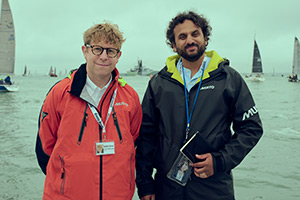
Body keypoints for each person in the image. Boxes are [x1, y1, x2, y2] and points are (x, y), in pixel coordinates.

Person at [135, 11, 263, 200]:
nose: (190, 40)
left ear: (205, 38)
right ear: (173, 44)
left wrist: (220, 161)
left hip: (215, 188)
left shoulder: (228, 78)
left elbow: (251, 128)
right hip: (167, 188)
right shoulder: (159, 83)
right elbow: (146, 137)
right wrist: (145, 185)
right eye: (182, 36)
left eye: (195, 34)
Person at [35, 22, 143, 200]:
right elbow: (45, 147)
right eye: (97, 49)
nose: (104, 56)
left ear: (118, 56)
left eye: (111, 51)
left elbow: (135, 141)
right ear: (85, 51)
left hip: (118, 195)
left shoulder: (129, 96)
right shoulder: (60, 93)